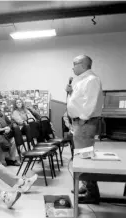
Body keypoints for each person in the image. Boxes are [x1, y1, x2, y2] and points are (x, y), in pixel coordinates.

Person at [66, 55, 103, 204]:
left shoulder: (91, 80)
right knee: (81, 157)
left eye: (74, 64)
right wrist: (70, 93)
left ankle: (93, 194)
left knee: (85, 158)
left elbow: (91, 102)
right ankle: (86, 186)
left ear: (82, 65)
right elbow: (79, 101)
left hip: (84, 123)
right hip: (80, 123)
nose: (72, 67)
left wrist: (82, 119)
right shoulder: (81, 80)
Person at [0, 100, 20, 166]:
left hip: (6, 133)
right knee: (1, 140)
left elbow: (10, 123)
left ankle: (11, 159)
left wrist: (9, 128)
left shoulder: (1, 114)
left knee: (13, 140)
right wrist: (3, 129)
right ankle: (1, 161)